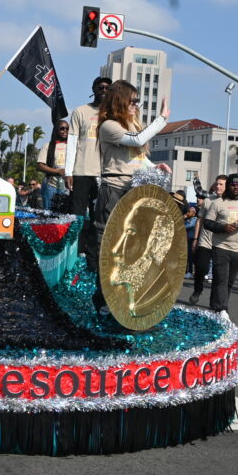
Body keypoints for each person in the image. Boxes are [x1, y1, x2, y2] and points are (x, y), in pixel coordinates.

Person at [93, 79, 171, 310]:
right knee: (109, 247)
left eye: (138, 102)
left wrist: (153, 167)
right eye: (133, 101)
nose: (136, 106)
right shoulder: (108, 125)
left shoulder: (127, 127)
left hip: (130, 193)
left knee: (130, 251)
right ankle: (103, 302)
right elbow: (137, 140)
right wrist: (162, 118)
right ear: (121, 101)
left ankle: (122, 306)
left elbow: (136, 156)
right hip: (113, 191)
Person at [64, 77, 111, 269]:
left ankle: (93, 264)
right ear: (93, 88)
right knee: (77, 218)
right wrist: (69, 172)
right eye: (100, 86)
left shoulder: (115, 114)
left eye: (108, 87)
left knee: (98, 222)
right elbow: (72, 143)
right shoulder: (80, 112)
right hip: (81, 173)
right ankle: (72, 259)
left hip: (104, 175)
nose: (103, 89)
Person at [202, 174, 238, 319]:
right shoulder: (218, 203)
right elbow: (207, 223)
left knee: (229, 281)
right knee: (221, 279)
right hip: (220, 246)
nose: (236, 187)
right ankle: (222, 309)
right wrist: (222, 227)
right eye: (233, 184)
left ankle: (219, 304)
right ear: (228, 186)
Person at [189, 176, 227, 305]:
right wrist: (195, 238)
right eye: (217, 184)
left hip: (221, 243)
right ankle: (197, 290)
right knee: (201, 268)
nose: (218, 187)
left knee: (218, 273)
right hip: (205, 241)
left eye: (221, 184)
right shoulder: (208, 200)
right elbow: (200, 220)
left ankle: (214, 299)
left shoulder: (229, 203)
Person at [37, 120, 69, 210]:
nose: (65, 131)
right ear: (56, 130)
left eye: (67, 129)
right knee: (49, 214)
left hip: (68, 185)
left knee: (66, 214)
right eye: (62, 129)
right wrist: (58, 171)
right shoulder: (48, 145)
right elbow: (40, 165)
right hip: (51, 185)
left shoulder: (73, 146)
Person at [184, 205, 197, 278]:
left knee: (191, 256)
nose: (187, 213)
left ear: (194, 213)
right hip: (187, 240)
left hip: (192, 240)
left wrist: (184, 219)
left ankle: (190, 271)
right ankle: (188, 271)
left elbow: (187, 226)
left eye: (189, 212)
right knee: (188, 256)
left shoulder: (194, 220)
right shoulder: (188, 220)